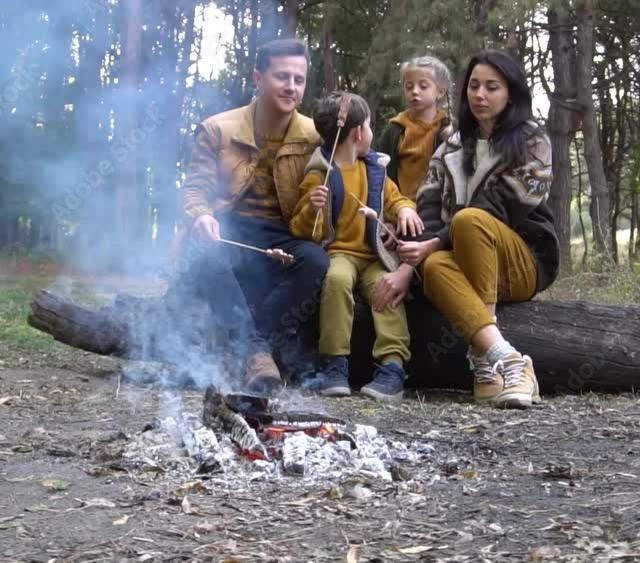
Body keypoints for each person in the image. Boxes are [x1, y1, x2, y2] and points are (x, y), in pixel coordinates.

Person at [396, 50, 560, 409]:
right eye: (473, 86)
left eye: (492, 87)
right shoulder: (451, 147)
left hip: (523, 261)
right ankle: (503, 361)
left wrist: (435, 242)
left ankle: (486, 358)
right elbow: (426, 207)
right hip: (463, 260)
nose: (480, 95)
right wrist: (418, 256)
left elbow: (503, 207)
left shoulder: (533, 141)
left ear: (511, 93)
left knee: (468, 220)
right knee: (435, 265)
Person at [172, 38, 327, 394]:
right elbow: (194, 189)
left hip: (282, 233)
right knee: (206, 252)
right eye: (282, 76)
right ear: (258, 78)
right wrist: (200, 216)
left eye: (299, 79)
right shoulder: (218, 129)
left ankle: (245, 345)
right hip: (230, 228)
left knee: (316, 262)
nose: (291, 86)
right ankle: (256, 352)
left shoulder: (313, 137)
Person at [290, 92, 424, 400]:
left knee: (387, 288)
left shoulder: (374, 169)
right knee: (336, 281)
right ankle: (335, 364)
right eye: (370, 126)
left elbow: (395, 198)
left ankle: (392, 365)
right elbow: (301, 227)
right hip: (339, 254)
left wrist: (404, 210)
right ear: (359, 132)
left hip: (374, 257)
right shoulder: (320, 173)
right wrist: (313, 207)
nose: (371, 133)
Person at [378, 55, 455, 199]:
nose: (414, 91)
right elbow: (383, 174)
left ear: (440, 91)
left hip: (438, 209)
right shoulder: (396, 129)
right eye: (409, 86)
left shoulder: (449, 129)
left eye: (423, 86)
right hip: (403, 209)